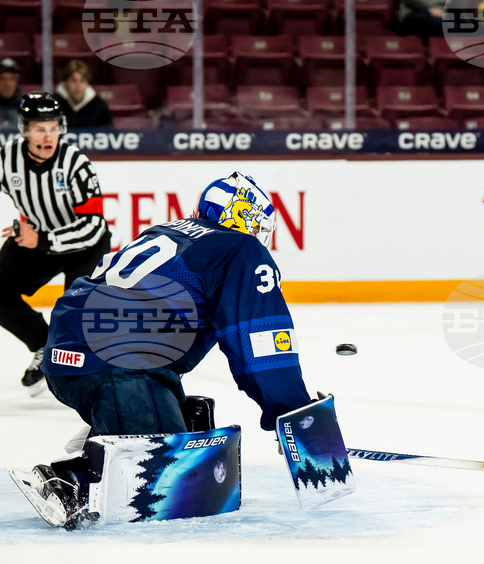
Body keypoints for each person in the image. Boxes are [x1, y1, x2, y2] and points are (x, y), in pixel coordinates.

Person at [25, 172, 313, 528]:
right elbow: (260, 343)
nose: (259, 236)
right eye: (258, 226)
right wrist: (295, 413)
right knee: (173, 486)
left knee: (193, 426)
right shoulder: (239, 249)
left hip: (70, 355)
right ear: (244, 219)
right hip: (117, 366)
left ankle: (112, 431)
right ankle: (77, 480)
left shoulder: (171, 231)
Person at [0, 93, 108, 396]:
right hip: (37, 237)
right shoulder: (6, 159)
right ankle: (43, 346)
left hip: (84, 246)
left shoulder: (76, 164)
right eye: (39, 128)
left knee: (75, 310)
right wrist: (36, 236)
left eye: (52, 127)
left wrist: (43, 239)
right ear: (24, 130)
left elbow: (94, 225)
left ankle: (81, 372)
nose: (47, 136)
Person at [56, 60, 113, 129]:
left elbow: (108, 134)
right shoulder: (53, 104)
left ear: (87, 83)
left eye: (82, 81)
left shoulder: (99, 106)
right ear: (65, 83)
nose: (78, 86)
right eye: (73, 80)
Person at [0, 57, 23, 129]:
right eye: (2, 78)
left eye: (11, 79)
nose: (7, 84)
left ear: (17, 82)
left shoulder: (25, 110)